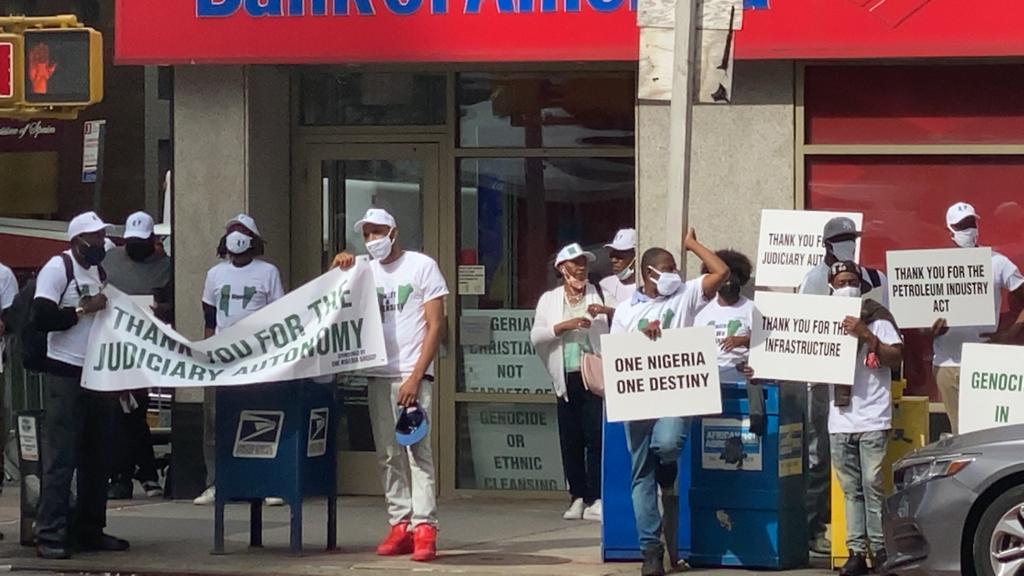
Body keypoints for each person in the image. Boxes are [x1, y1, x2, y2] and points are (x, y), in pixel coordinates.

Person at [751, 261, 903, 576]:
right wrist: (760, 365)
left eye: (852, 280)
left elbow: (895, 358)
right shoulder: (822, 320)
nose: (847, 285)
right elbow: (792, 354)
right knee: (850, 490)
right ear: (831, 285)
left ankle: (880, 548)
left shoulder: (877, 318)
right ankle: (857, 551)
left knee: (873, 484)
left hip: (873, 416)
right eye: (841, 280)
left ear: (861, 285)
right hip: (840, 419)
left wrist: (866, 336)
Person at [609, 229, 729, 576]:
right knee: (640, 475)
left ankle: (668, 464)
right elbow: (619, 357)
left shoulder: (685, 295)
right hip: (639, 400)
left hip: (676, 394)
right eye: (668, 268)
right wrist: (641, 338)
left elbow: (721, 273)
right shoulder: (625, 313)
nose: (675, 273)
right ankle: (650, 548)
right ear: (649, 274)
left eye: (676, 267)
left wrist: (693, 245)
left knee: (668, 442)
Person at [332, 208, 448, 562]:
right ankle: (400, 524)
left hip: (410, 375)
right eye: (366, 234)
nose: (372, 240)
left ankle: (424, 526)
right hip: (377, 374)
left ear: (394, 232)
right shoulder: (363, 269)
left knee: (417, 452)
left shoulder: (421, 266)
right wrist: (338, 268)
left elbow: (436, 324)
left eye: (377, 232)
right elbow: (332, 303)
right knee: (386, 454)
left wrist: (415, 376)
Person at [32, 211, 128, 560]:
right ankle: (50, 531)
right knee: (62, 456)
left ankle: (90, 528)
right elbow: (41, 316)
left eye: (103, 236)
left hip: (98, 372)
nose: (101, 243)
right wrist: (81, 311)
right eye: (95, 237)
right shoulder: (59, 269)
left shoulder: (98, 271)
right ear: (77, 241)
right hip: (66, 371)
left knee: (97, 456)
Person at [797, 215, 887, 555]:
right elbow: (802, 328)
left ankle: (863, 538)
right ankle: (814, 528)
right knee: (820, 456)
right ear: (827, 245)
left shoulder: (870, 277)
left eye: (853, 236)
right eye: (843, 237)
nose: (850, 242)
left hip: (865, 385)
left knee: (864, 475)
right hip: (824, 383)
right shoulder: (814, 280)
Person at [193, 214, 285, 507]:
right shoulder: (215, 274)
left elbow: (278, 315)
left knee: (262, 420)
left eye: (242, 231)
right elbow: (209, 315)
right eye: (232, 231)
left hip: (257, 360)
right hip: (223, 361)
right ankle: (218, 483)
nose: (236, 236)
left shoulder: (268, 272)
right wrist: (207, 351)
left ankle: (268, 482)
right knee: (219, 422)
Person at [531, 242, 609, 523]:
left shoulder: (599, 293)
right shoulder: (550, 300)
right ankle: (577, 496)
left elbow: (623, 320)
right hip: (565, 377)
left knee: (595, 438)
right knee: (571, 440)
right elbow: (536, 337)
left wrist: (606, 312)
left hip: (594, 377)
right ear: (562, 269)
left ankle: (597, 497)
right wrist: (565, 326)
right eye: (575, 265)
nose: (580, 270)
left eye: (584, 265)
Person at [932, 202, 1024, 435]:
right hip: (946, 362)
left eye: (971, 223)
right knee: (959, 431)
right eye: (962, 225)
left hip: (984, 360)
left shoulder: (997, 262)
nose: (969, 229)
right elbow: (920, 318)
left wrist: (1010, 333)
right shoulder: (934, 266)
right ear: (949, 230)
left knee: (986, 432)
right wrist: (930, 329)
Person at [104, 212, 172, 500]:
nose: (134, 247)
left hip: (144, 350)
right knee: (123, 413)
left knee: (133, 410)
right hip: (112, 346)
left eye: (140, 242)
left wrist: (165, 309)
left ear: (152, 240)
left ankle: (131, 474)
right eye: (130, 241)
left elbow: (175, 301)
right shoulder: (109, 261)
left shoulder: (166, 268)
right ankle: (140, 473)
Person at [694, 249, 754, 384]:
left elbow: (765, 346)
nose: (729, 284)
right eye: (725, 280)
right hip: (708, 380)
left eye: (734, 280)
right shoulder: (701, 310)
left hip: (740, 379)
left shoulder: (752, 309)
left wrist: (743, 340)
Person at [599, 228, 637, 307]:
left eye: (620, 256)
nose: (614, 260)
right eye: (612, 255)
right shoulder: (605, 285)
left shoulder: (645, 287)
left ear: (635, 256)